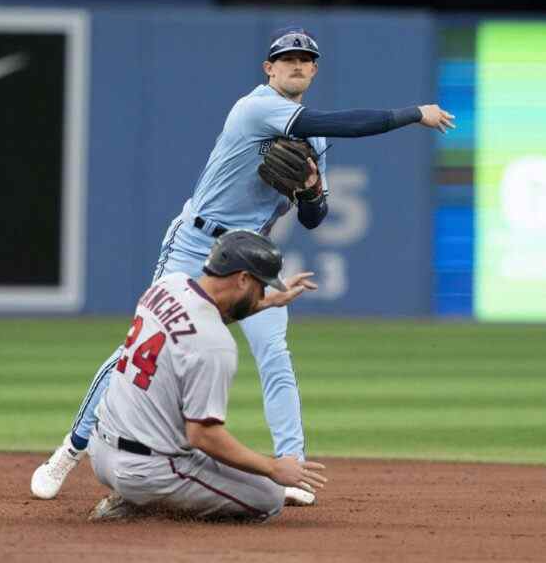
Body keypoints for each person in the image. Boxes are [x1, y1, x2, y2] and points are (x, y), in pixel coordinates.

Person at [31, 26, 455, 506]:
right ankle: (71, 448)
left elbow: (315, 219)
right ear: (269, 69)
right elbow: (348, 123)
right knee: (139, 344)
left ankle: (291, 469)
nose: (296, 64)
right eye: (286, 58)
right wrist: (412, 114)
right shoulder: (254, 107)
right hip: (196, 244)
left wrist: (312, 188)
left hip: (251, 257)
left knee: (276, 356)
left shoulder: (309, 136)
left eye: (305, 59)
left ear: (314, 70)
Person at [87, 230, 326, 521]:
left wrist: (267, 303)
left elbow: (199, 321)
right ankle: (140, 505)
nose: (262, 294)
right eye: (261, 287)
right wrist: (272, 467)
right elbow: (203, 436)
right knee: (268, 497)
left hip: (99, 449)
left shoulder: (168, 286)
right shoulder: (216, 346)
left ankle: (134, 494)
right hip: (146, 471)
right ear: (241, 279)